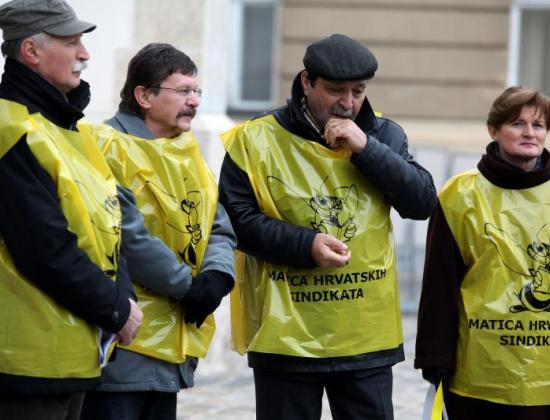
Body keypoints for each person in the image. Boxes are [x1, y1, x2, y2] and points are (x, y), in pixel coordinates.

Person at [219, 33, 437, 420]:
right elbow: (236, 220)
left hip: (365, 338)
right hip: (286, 337)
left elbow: (422, 202)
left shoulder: (384, 134)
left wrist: (366, 149)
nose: (348, 102)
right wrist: (305, 246)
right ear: (307, 81)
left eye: (358, 91)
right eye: (336, 90)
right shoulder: (256, 138)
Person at [0, 1, 143, 419]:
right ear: (30, 51)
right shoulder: (11, 130)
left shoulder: (69, 128)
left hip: (71, 355)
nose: (85, 53)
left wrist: (123, 297)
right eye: (71, 42)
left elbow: (107, 227)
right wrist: (116, 309)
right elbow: (44, 248)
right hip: (24, 363)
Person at [80, 43, 236, 420]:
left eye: (196, 91)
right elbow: (126, 235)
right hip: (125, 345)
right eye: (182, 91)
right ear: (144, 96)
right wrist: (188, 288)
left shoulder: (184, 150)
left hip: (172, 345)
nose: (194, 101)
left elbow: (217, 223)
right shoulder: (104, 145)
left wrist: (217, 277)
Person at [415, 86, 550, 419]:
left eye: (538, 125)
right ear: (493, 130)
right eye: (517, 123)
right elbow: (440, 283)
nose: (530, 133)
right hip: (480, 373)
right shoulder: (460, 195)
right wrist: (435, 358)